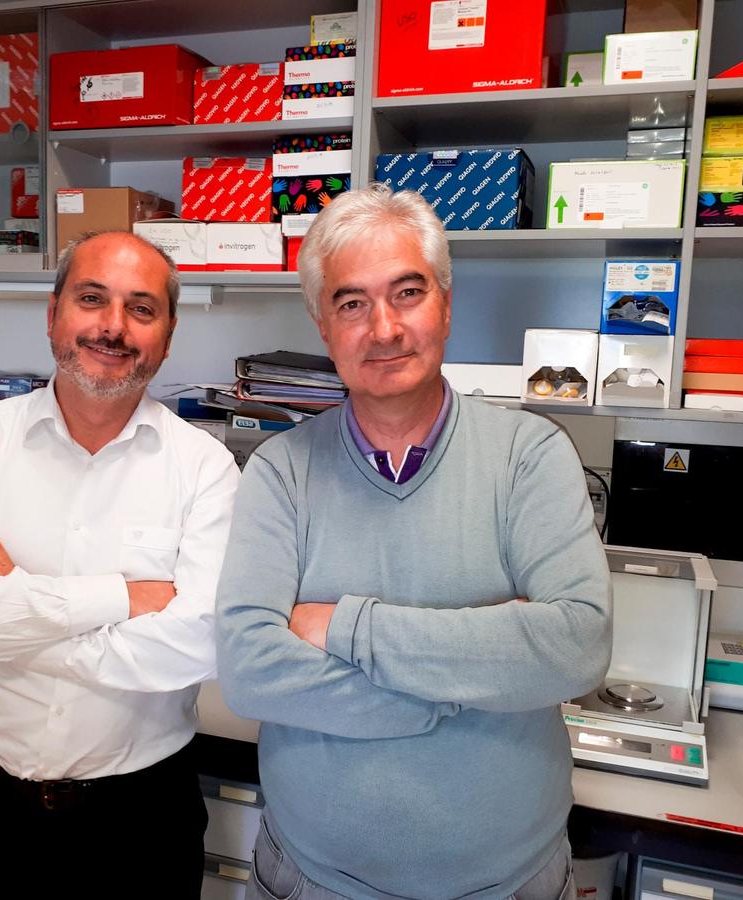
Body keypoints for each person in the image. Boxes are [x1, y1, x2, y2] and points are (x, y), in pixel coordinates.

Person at [216, 184, 612, 900]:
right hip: (313, 881)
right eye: (352, 303)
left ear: (447, 305)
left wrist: (344, 625)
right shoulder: (281, 471)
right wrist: (464, 688)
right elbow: (249, 670)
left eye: (407, 292)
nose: (384, 327)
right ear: (322, 325)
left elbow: (576, 645)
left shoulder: (531, 456)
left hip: (509, 884)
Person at [0, 231, 239, 898]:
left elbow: (197, 644)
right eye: (91, 299)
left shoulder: (204, 469)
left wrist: (10, 609)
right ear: (53, 315)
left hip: (140, 828)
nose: (113, 326)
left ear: (166, 339)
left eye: (142, 309)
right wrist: (118, 599)